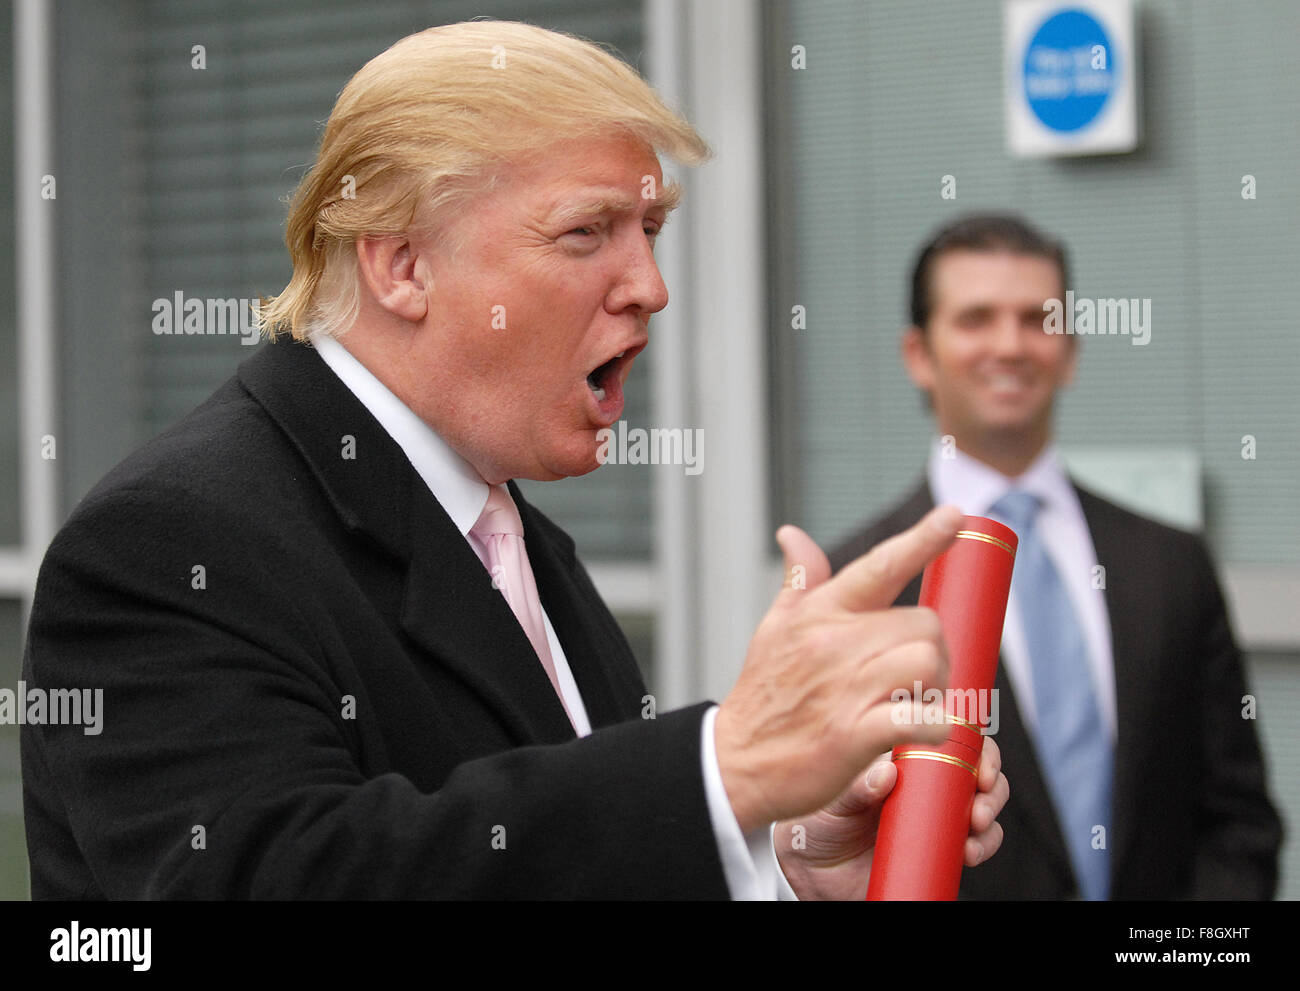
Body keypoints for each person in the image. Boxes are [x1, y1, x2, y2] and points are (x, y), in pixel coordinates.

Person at [21, 22, 1007, 900]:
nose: (652, 288)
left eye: (651, 232)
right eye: (587, 232)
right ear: (401, 262)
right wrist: (725, 767)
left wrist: (778, 856)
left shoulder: (512, 534)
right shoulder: (169, 538)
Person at [829, 213, 1282, 900]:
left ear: (1068, 348)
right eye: (977, 318)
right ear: (919, 353)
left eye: (1037, 318)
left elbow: (1237, 823)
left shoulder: (1172, 563)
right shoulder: (859, 582)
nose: (1010, 345)